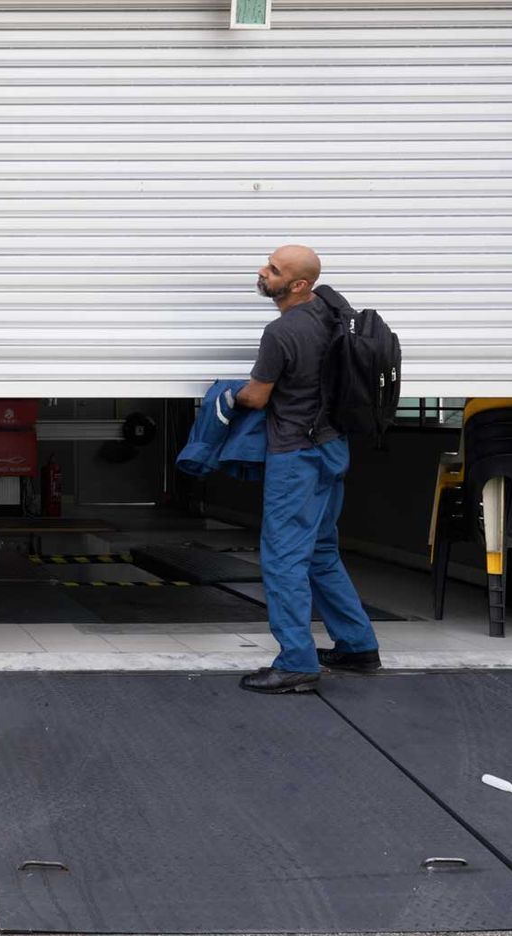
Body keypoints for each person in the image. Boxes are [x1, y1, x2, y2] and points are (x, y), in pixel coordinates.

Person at [232, 245, 381, 694]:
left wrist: (225, 394)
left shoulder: (282, 332)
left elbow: (256, 397)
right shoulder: (333, 313)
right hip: (333, 448)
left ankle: (296, 662)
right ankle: (357, 645)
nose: (263, 271)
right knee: (319, 551)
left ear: (297, 285)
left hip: (296, 455)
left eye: (273, 270)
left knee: (283, 559)